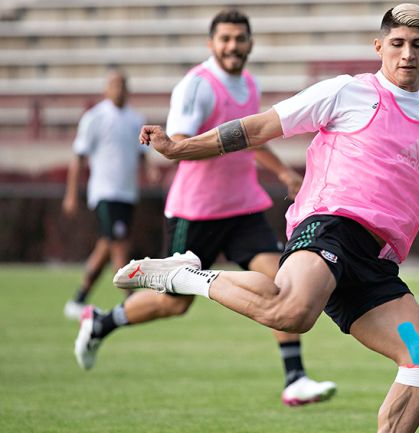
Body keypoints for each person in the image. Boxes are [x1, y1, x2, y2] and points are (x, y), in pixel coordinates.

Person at [115, 3, 419, 432]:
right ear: (380, 47)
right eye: (397, 43)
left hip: (376, 265)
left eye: (418, 45)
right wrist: (182, 147)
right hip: (330, 229)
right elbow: (258, 127)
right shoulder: (346, 92)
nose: (407, 54)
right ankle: (187, 276)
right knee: (292, 312)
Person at [74, 10, 337, 407]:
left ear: (250, 43)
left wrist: (284, 172)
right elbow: (179, 145)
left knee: (283, 282)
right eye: (225, 39)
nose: (233, 46)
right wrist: (190, 144)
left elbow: (248, 138)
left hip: (244, 207)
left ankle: (295, 377)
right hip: (195, 211)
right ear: (211, 44)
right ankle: (102, 322)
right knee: (174, 303)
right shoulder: (197, 86)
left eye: (240, 39)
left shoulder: (249, 82)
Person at [62, 70, 150, 320]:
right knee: (120, 245)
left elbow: (141, 153)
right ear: (106, 89)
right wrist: (71, 193)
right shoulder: (95, 117)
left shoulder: (135, 119)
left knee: (106, 245)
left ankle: (79, 299)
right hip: (105, 191)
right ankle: (131, 304)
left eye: (123, 84)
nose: (119, 89)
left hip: (127, 193)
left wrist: (150, 171)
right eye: (114, 84)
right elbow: (79, 156)